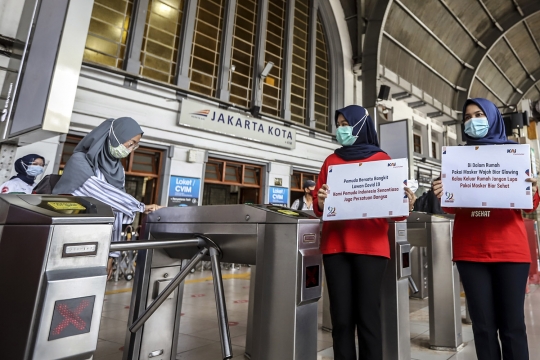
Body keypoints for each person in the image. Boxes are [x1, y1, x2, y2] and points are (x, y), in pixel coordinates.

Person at [433, 98, 539, 360]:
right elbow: (451, 208)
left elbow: (530, 204)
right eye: (467, 117)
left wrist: (533, 188)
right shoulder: (458, 158)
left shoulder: (516, 153)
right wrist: (444, 195)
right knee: (483, 328)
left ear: (492, 117)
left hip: (510, 251)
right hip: (471, 252)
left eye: (478, 114)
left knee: (513, 327)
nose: (472, 121)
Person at [313, 105, 416, 360]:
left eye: (346, 123)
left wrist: (407, 203)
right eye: (338, 124)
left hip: (371, 248)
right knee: (341, 320)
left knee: (368, 317)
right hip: (336, 247)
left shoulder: (382, 160)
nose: (341, 129)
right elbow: (318, 203)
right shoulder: (331, 160)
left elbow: (397, 212)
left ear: (360, 125)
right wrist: (322, 201)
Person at [53, 117, 163, 278]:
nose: (132, 148)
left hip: (98, 243)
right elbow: (98, 190)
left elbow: (116, 215)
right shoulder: (80, 161)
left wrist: (112, 255)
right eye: (131, 142)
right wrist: (140, 206)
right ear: (116, 136)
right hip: (69, 239)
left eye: (135, 145)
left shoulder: (118, 171)